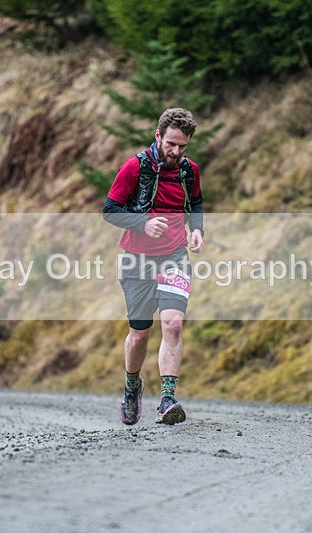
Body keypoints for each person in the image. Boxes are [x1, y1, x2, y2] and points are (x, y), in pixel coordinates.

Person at [102, 108, 204, 425]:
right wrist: (143, 223)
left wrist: (198, 229)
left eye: (182, 146)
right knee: (139, 335)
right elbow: (110, 211)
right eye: (171, 144)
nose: (175, 152)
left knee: (173, 324)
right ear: (157, 136)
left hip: (174, 254)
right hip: (136, 259)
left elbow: (197, 202)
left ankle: (167, 399)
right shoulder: (134, 167)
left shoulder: (189, 170)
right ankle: (132, 385)